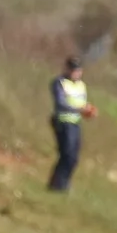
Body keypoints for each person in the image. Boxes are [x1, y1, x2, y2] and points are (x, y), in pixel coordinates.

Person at [47, 56, 96, 192]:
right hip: (63, 122)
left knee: (73, 157)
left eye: (78, 70)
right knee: (66, 154)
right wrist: (79, 109)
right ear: (67, 69)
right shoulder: (59, 83)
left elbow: (81, 102)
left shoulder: (81, 85)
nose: (76, 73)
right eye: (74, 70)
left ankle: (62, 183)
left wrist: (88, 110)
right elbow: (61, 103)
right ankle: (58, 185)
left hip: (75, 123)